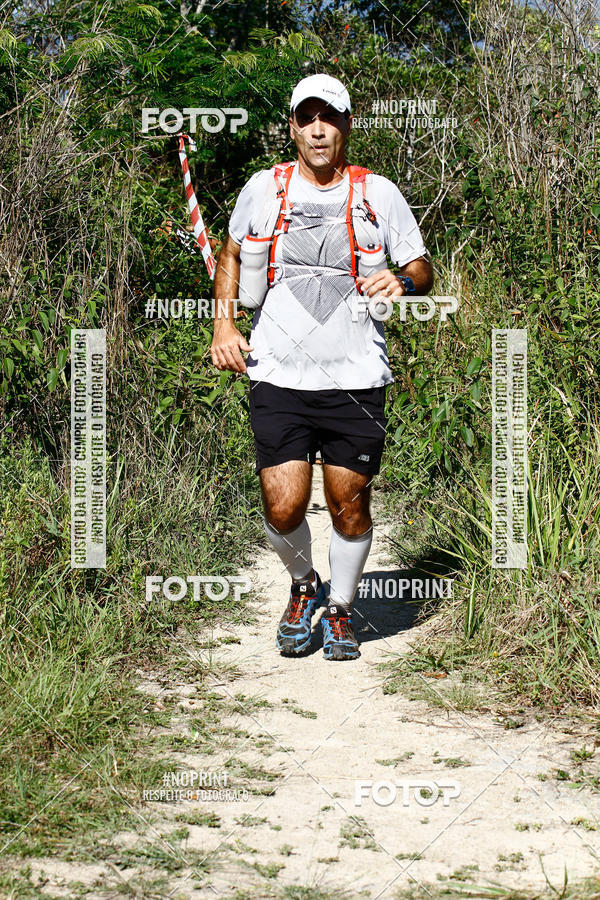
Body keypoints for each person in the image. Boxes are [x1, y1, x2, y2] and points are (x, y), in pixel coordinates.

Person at [211, 73, 433, 661]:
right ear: (291, 127)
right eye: (306, 118)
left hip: (357, 377)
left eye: (328, 118)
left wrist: (404, 283)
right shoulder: (264, 188)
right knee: (282, 506)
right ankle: (303, 585)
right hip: (278, 372)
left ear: (346, 126)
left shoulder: (378, 193)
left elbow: (420, 266)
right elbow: (231, 255)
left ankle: (339, 609)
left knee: (349, 503)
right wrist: (224, 326)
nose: (318, 129)